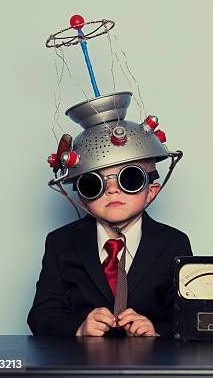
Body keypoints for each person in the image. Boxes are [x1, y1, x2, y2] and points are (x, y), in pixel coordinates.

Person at [28, 93, 191, 337]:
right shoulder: (61, 243)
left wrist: (156, 330)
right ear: (83, 196)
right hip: (81, 368)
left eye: (130, 179)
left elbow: (190, 317)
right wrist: (79, 328)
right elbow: (41, 315)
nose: (112, 189)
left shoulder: (173, 243)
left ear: (151, 191)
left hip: (150, 368)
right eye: (95, 184)